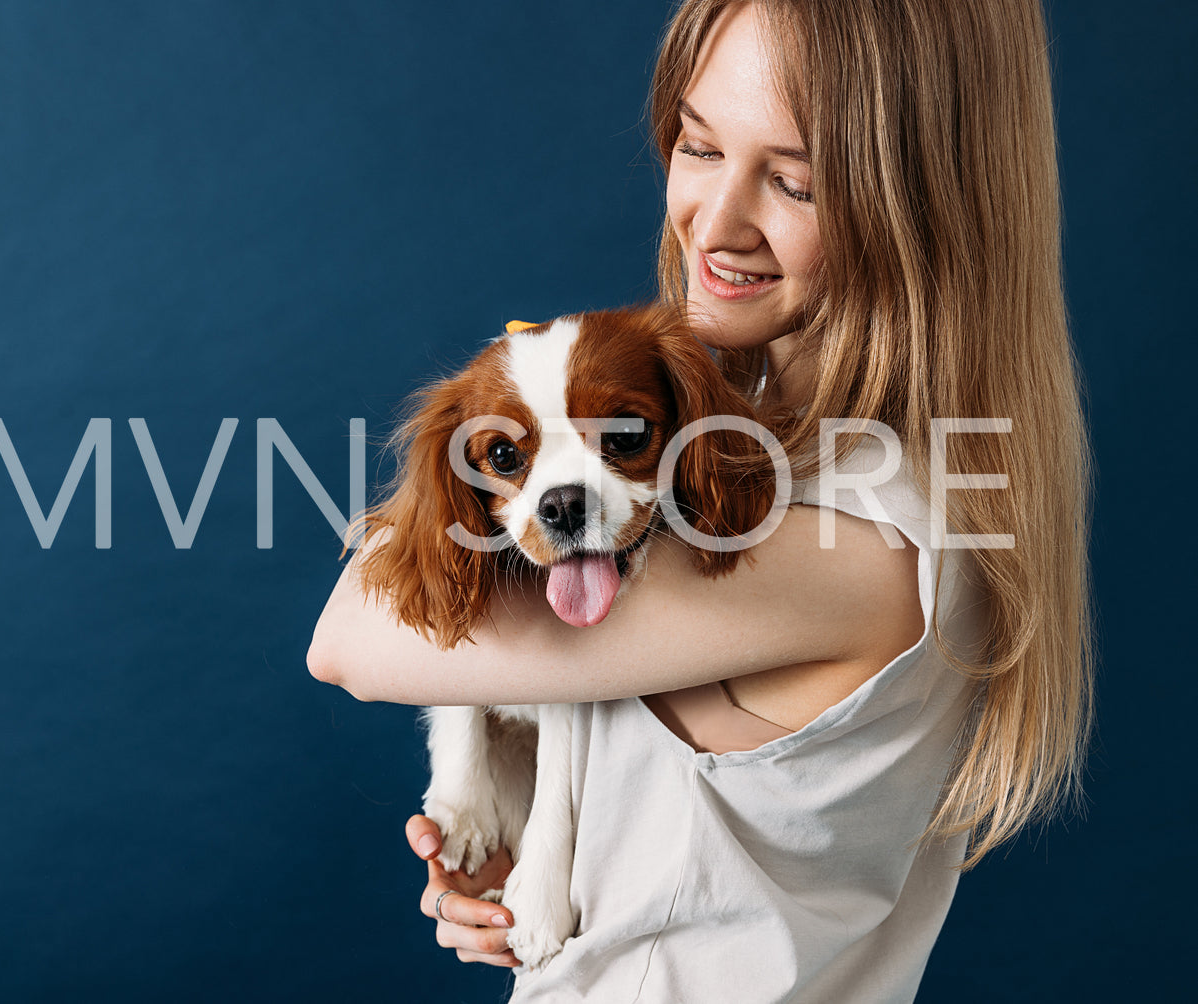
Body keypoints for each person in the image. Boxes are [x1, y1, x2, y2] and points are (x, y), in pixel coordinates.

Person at [307, 0, 1091, 998]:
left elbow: (351, 633)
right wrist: (553, 856)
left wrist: (438, 496)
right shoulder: (741, 456)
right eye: (696, 144)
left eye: (792, 181)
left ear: (927, 204)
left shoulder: (861, 536)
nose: (714, 224)